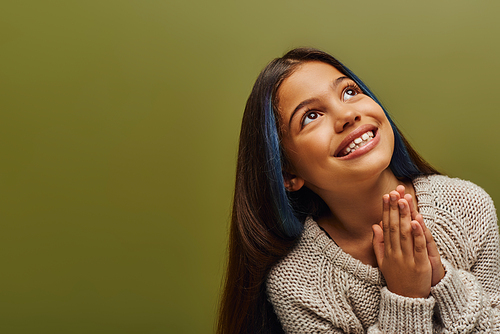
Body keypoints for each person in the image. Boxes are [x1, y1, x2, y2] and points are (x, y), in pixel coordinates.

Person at [217, 48, 500, 333]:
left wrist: (442, 282)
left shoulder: (467, 206)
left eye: (349, 92)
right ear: (288, 173)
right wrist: (406, 299)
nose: (347, 114)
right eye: (311, 116)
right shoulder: (297, 284)